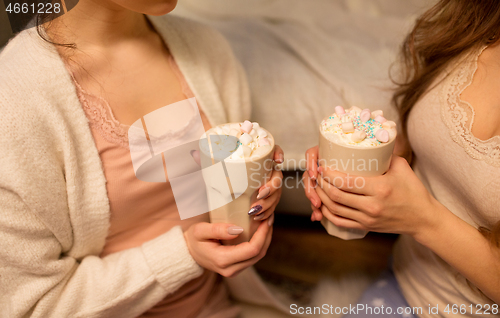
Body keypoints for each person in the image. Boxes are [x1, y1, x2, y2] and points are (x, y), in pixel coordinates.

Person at [0, 0, 284, 317]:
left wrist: (253, 184)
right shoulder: (12, 104)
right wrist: (184, 255)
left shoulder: (206, 49)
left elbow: (223, 216)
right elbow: (31, 306)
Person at [303, 0, 500, 317]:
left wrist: (424, 219)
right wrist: (370, 157)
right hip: (403, 284)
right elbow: (440, 146)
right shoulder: (478, 21)